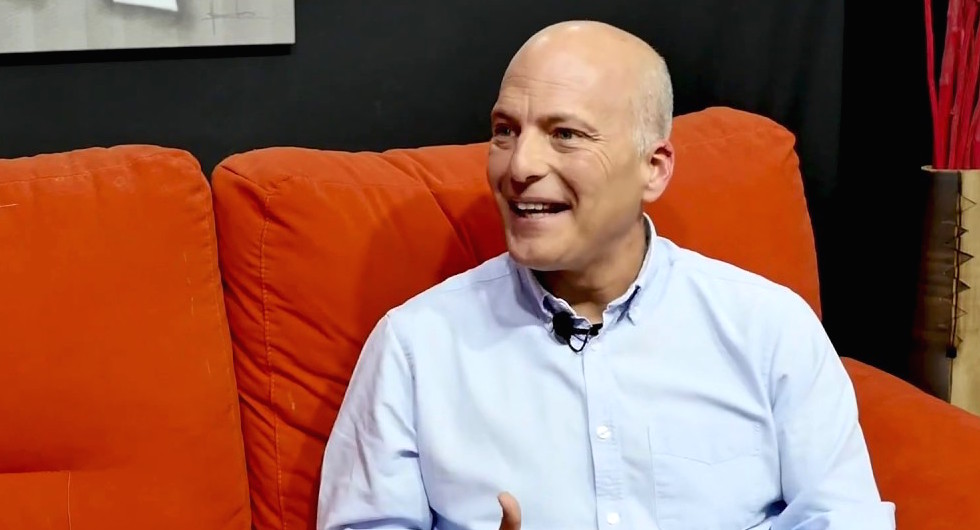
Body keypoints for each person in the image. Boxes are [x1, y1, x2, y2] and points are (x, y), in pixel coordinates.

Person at [316, 20, 896, 530]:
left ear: (654, 168)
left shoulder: (769, 329)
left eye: (565, 134)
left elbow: (842, 517)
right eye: (505, 131)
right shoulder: (415, 348)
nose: (519, 166)